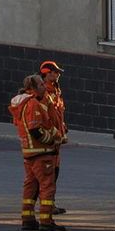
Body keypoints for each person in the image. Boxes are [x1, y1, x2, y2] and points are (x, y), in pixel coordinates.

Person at [10, 74, 64, 231]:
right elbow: (36, 129)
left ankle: (27, 219)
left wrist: (58, 134)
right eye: (41, 84)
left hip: (30, 153)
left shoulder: (24, 103)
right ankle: (46, 221)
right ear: (32, 88)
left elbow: (45, 123)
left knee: (31, 187)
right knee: (47, 186)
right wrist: (52, 141)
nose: (44, 87)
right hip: (41, 152)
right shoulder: (32, 103)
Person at [39, 61, 69, 215]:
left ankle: (50, 203)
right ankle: (47, 206)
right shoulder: (44, 92)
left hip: (56, 140)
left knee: (53, 173)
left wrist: (63, 130)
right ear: (46, 73)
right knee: (48, 174)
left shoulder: (55, 91)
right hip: (49, 139)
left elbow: (58, 115)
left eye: (58, 72)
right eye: (55, 72)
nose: (58, 75)